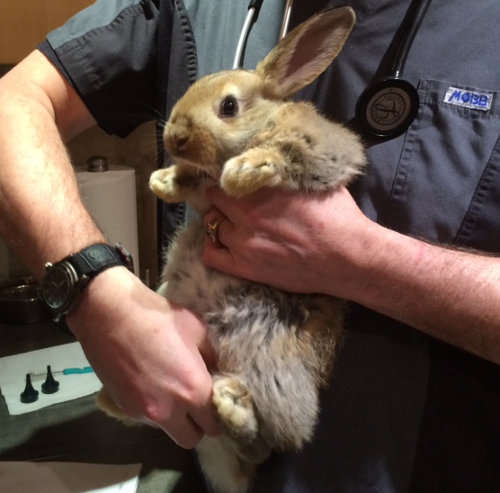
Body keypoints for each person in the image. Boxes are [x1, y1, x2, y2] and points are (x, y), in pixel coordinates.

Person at [0, 0, 499, 491]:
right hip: (208, 453)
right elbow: (12, 103)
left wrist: (360, 263)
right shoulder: (194, 9)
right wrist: (97, 297)